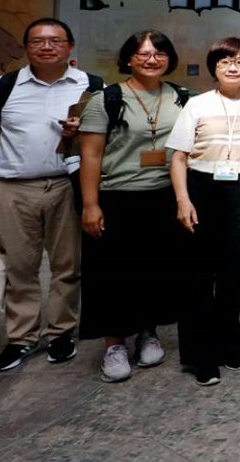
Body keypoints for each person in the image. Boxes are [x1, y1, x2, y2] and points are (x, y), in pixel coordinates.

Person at [0, 18, 99, 374]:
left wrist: (81, 131)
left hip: (66, 186)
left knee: (68, 266)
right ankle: (21, 338)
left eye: (55, 41)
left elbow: (104, 142)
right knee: (19, 268)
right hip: (13, 188)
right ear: (26, 47)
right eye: (38, 41)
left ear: (70, 47)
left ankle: (61, 332)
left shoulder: (91, 85)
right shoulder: (3, 86)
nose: (47, 46)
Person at [167, 37, 240, 387]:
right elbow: (179, 157)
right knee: (199, 277)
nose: (233, 67)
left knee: (233, 275)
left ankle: (228, 345)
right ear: (214, 67)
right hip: (202, 189)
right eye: (225, 61)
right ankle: (201, 356)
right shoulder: (196, 105)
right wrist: (183, 200)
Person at [78, 31, 189, 382]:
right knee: (113, 273)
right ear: (128, 59)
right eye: (143, 53)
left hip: (163, 196)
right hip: (117, 196)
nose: (151, 59)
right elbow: (91, 154)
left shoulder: (181, 98)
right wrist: (90, 204)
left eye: (159, 52)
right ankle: (114, 344)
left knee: (155, 269)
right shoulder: (107, 99)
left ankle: (147, 332)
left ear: (169, 58)